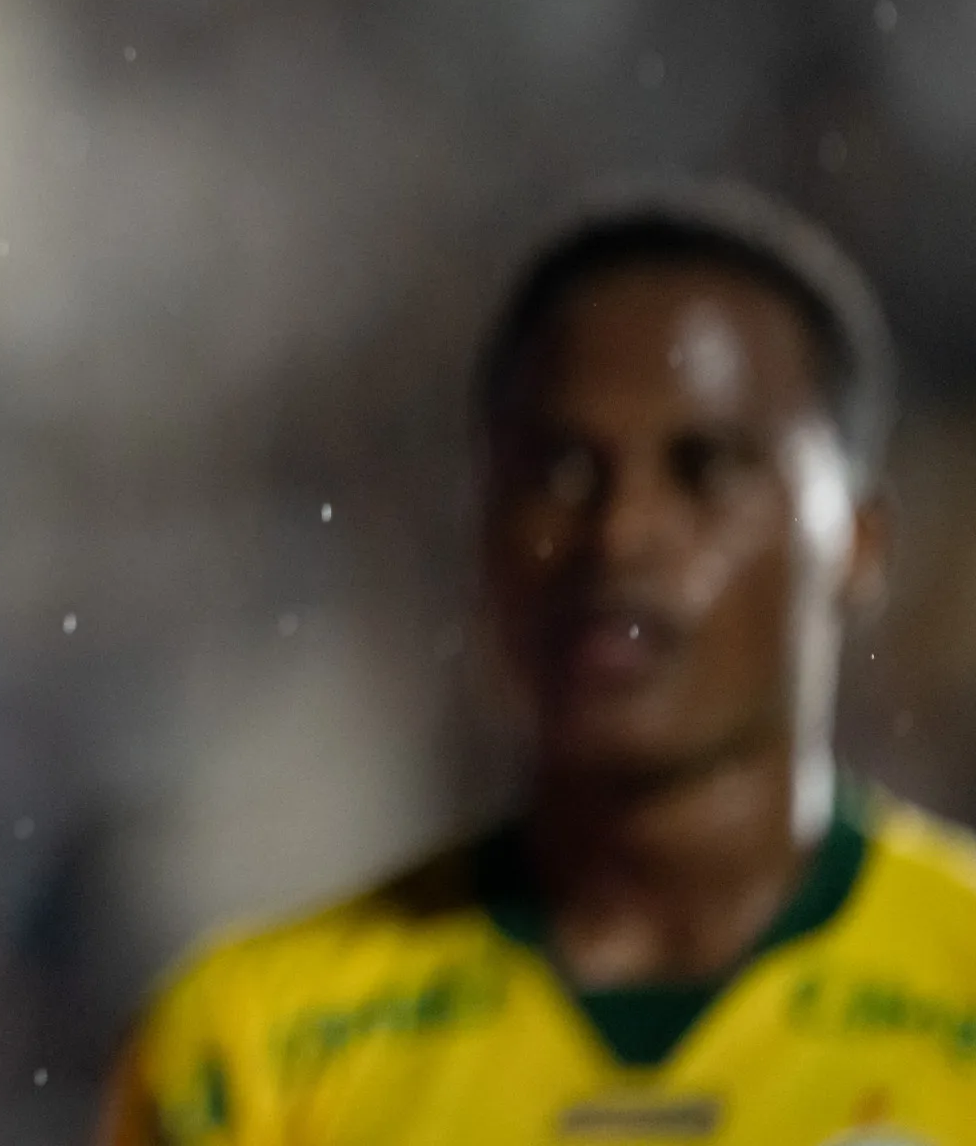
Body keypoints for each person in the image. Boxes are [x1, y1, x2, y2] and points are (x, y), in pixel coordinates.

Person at [100, 183, 976, 1143]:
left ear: (860, 543)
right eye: (560, 470)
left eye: (704, 469)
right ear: (482, 525)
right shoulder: (251, 1050)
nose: (619, 532)